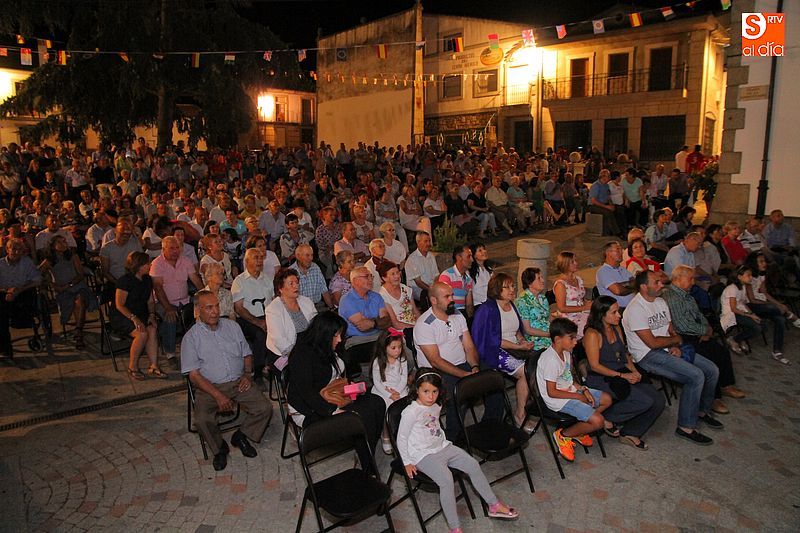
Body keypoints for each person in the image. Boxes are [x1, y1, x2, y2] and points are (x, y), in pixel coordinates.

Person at [397, 368, 519, 532]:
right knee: (446, 480)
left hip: (441, 446)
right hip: (422, 455)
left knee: (473, 465)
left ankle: (494, 505)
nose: (431, 396)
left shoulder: (436, 404)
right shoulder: (410, 412)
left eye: (434, 391)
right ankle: (455, 528)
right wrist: (406, 462)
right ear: (416, 389)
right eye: (426, 391)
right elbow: (402, 438)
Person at [622, 270, 722, 445]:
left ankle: (702, 411)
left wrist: (675, 345)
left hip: (668, 348)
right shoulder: (635, 309)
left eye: (661, 281)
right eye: (656, 283)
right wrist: (675, 341)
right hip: (648, 355)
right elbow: (652, 343)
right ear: (644, 287)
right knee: (696, 376)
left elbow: (670, 330)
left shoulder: (661, 301)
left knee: (711, 369)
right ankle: (686, 427)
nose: (662, 285)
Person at [181, 290, 272, 471]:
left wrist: (247, 374)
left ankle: (242, 435)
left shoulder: (233, 327)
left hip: (238, 381)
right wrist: (218, 396)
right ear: (198, 310)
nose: (215, 311)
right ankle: (219, 449)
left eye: (216, 306)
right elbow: (194, 376)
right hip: (209, 386)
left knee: (265, 408)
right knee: (202, 420)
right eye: (209, 308)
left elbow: (246, 353)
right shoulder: (191, 338)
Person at [287, 312, 386, 473]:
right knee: (362, 416)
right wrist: (331, 410)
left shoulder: (329, 346)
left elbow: (338, 377)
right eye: (336, 335)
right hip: (312, 408)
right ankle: (367, 467)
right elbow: (306, 392)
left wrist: (351, 388)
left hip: (336, 395)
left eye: (341, 335)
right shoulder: (302, 354)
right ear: (324, 335)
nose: (340, 340)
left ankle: (366, 450)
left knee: (377, 402)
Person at [583, 296, 665, 449]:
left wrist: (634, 371)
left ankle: (631, 432)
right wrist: (623, 376)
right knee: (644, 401)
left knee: (658, 400)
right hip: (602, 377)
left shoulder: (616, 327)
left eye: (618, 311)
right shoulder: (593, 334)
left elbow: (624, 354)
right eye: (614, 313)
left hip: (620, 370)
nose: (619, 316)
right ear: (602, 315)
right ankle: (605, 417)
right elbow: (594, 366)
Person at [663, 265, 747, 414]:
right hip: (683, 338)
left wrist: (706, 328)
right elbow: (682, 326)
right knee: (709, 360)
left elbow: (699, 314)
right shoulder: (672, 297)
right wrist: (704, 330)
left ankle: (726, 385)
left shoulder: (686, 294)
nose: (693, 282)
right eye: (690, 279)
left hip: (697, 332)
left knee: (722, 352)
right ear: (678, 279)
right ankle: (713, 398)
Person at [413, 282, 482, 440]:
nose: (452, 299)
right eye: (447, 296)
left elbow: (469, 346)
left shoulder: (457, 314)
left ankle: (491, 422)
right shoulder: (425, 324)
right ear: (434, 300)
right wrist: (464, 375)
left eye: (452, 295)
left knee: (491, 376)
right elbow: (436, 361)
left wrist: (475, 366)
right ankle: (453, 436)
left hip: (462, 365)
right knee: (459, 390)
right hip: (436, 371)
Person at [537, 318, 612, 462]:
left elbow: (569, 378)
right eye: (571, 338)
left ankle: (579, 429)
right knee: (598, 422)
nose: (575, 342)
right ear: (558, 339)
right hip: (557, 400)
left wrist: (583, 390)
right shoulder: (550, 360)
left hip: (570, 391)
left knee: (606, 399)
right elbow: (552, 392)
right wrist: (578, 397)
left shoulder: (566, 352)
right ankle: (564, 435)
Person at [472, 273, 534, 429]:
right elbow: (492, 340)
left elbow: (517, 329)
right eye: (506, 287)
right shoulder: (488, 309)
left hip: (514, 347)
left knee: (538, 367)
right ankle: (520, 415)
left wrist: (521, 340)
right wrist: (518, 347)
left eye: (512, 286)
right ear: (496, 289)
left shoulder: (511, 305)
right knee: (525, 372)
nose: (512, 290)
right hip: (494, 351)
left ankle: (528, 407)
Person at [110, 251, 165, 379]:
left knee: (152, 329)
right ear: (139, 265)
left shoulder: (147, 279)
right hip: (124, 315)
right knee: (142, 333)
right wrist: (134, 318)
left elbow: (150, 300)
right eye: (147, 263)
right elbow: (120, 305)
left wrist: (151, 314)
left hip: (141, 312)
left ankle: (154, 365)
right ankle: (132, 366)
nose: (150, 265)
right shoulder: (125, 281)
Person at [150, 236, 203, 368]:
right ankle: (170, 353)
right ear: (163, 249)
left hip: (184, 300)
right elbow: (158, 287)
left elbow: (195, 279)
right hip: (164, 302)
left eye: (177, 248)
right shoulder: (157, 264)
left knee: (202, 312)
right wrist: (168, 307)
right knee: (170, 317)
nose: (175, 251)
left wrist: (204, 295)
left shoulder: (185, 261)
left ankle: (198, 348)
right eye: (171, 248)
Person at [721, 265, 788, 364]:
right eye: (748, 275)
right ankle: (734, 339)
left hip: (741, 311)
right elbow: (733, 308)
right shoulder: (732, 288)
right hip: (732, 314)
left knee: (763, 325)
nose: (751, 277)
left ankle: (741, 338)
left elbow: (742, 303)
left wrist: (752, 313)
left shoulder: (742, 287)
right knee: (757, 328)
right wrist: (750, 315)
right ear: (739, 277)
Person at [38, 235, 91, 349]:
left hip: (76, 285)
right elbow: (38, 273)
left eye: (64, 241)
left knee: (80, 300)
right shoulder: (49, 260)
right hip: (61, 289)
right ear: (53, 245)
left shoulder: (72, 256)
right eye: (59, 242)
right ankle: (78, 331)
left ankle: (78, 331)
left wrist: (69, 285)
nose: (63, 244)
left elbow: (80, 274)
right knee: (73, 299)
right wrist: (51, 284)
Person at [338, 265, 391, 376]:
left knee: (400, 347)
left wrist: (373, 323)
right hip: (357, 340)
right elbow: (362, 326)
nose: (371, 279)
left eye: (371, 276)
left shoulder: (376, 296)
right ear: (355, 281)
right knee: (387, 351)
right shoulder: (346, 300)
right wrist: (378, 322)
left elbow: (387, 321)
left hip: (379, 336)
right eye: (367, 276)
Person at [231, 248, 275, 380]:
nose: (260, 261)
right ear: (247, 261)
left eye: (261, 258)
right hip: (248, 319)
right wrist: (258, 322)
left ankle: (274, 367)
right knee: (260, 335)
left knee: (280, 330)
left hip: (267, 317)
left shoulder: (267, 279)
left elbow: (273, 301)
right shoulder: (239, 281)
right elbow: (239, 308)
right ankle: (258, 371)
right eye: (256, 258)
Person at [265, 267, 317, 370]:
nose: (296, 286)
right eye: (291, 283)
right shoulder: (273, 309)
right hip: (283, 353)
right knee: (306, 367)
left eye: (297, 282)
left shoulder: (306, 301)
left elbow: (316, 326)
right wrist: (299, 354)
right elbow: (279, 339)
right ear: (280, 288)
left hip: (308, 346)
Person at [370, 329, 410, 453]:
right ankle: (386, 435)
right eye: (393, 348)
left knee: (407, 406)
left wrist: (397, 391)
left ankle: (404, 434)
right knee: (387, 408)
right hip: (383, 390)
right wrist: (389, 394)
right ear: (384, 347)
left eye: (399, 347)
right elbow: (377, 382)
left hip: (399, 388)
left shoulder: (402, 360)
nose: (397, 350)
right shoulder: (378, 361)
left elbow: (404, 378)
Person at [0, 238, 42, 358]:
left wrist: (18, 290)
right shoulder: (1, 264)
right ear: (7, 250)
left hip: (23, 293)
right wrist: (7, 292)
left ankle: (18, 319)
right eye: (13, 249)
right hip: (4, 295)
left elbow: (37, 280)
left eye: (19, 250)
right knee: (1, 311)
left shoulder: (27, 262)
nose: (16, 252)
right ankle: (5, 348)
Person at [378, 261, 420, 349]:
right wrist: (416, 328)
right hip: (399, 331)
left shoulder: (406, 289)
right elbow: (395, 323)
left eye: (397, 272)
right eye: (393, 274)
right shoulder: (382, 295)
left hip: (415, 326)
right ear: (384, 278)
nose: (397, 276)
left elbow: (415, 311)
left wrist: (421, 324)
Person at [553, 251, 591, 339]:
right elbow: (561, 308)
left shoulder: (578, 279)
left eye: (576, 261)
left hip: (582, 313)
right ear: (565, 264)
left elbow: (581, 297)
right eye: (573, 262)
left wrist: (587, 304)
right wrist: (584, 308)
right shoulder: (561, 284)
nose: (576, 263)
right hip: (569, 317)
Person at [514, 267, 552, 351]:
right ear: (530, 283)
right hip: (535, 340)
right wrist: (549, 334)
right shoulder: (522, 301)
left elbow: (549, 318)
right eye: (539, 278)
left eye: (542, 277)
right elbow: (527, 329)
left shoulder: (543, 298)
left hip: (549, 334)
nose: (543, 280)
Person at [290, 244, 334, 310]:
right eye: (307, 255)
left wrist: (332, 308)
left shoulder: (315, 267)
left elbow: (324, 291)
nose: (311, 258)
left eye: (312, 255)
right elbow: (290, 299)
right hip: (300, 308)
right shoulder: (290, 272)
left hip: (317, 306)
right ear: (298, 256)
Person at [438, 244, 475, 319]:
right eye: (468, 256)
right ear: (459, 257)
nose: (472, 260)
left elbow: (469, 305)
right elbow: (443, 302)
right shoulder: (447, 275)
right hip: (451, 314)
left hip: (462, 313)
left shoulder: (468, 277)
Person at [588, 169, 626, 238]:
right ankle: (617, 232)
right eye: (608, 176)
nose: (609, 178)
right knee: (607, 212)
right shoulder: (596, 186)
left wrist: (611, 205)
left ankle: (620, 229)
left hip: (603, 203)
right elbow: (593, 201)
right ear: (602, 177)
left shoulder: (606, 186)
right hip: (594, 205)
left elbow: (608, 197)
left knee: (618, 209)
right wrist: (607, 207)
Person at [596, 241, 635, 309]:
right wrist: (633, 287)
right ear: (608, 253)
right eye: (618, 249)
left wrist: (622, 285)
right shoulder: (603, 271)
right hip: (618, 310)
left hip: (633, 307)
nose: (622, 252)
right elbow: (618, 290)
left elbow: (635, 282)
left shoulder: (623, 269)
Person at [404, 231, 439, 306]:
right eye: (426, 241)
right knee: (428, 295)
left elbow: (436, 275)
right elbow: (418, 282)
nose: (429, 244)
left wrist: (435, 287)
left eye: (429, 241)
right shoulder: (412, 259)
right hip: (418, 289)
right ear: (418, 242)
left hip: (430, 287)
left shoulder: (431, 256)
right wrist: (431, 290)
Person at [468, 242, 492, 308]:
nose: (484, 251)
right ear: (474, 255)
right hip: (479, 305)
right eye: (480, 250)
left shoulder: (489, 270)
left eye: (484, 249)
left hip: (491, 303)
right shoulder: (470, 273)